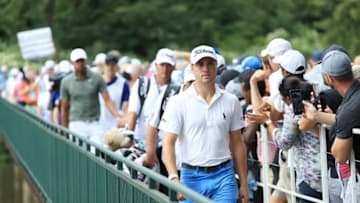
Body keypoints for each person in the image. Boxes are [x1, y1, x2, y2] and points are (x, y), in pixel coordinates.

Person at [160, 45, 249, 203]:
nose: (205, 69)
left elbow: (237, 143)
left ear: (216, 66)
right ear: (192, 68)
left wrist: (244, 184)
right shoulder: (178, 102)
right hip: (191, 176)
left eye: (210, 63)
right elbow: (168, 143)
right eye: (200, 64)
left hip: (224, 175)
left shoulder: (231, 101)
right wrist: (173, 177)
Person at [303, 49, 360, 194]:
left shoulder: (350, 108)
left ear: (329, 78)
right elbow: (343, 119)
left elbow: (340, 155)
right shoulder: (354, 96)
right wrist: (317, 116)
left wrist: (335, 130)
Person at [60, 48, 124, 144]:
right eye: (78, 61)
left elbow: (107, 100)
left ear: (86, 61)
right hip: (76, 123)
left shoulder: (97, 78)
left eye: (82, 60)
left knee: (96, 152)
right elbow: (64, 107)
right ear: (72, 63)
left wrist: (117, 116)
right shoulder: (66, 82)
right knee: (79, 152)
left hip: (95, 122)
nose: (80, 63)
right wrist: (65, 130)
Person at [127, 48, 175, 142]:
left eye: (168, 65)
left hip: (164, 144)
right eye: (162, 65)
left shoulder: (177, 88)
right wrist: (129, 139)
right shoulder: (142, 84)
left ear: (174, 67)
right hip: (140, 141)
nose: (165, 69)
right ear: (156, 66)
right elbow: (133, 113)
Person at [99, 54, 130, 131]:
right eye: (108, 64)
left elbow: (125, 105)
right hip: (98, 123)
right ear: (104, 65)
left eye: (113, 65)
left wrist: (124, 120)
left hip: (115, 123)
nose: (110, 67)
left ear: (116, 66)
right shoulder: (97, 81)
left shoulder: (123, 83)